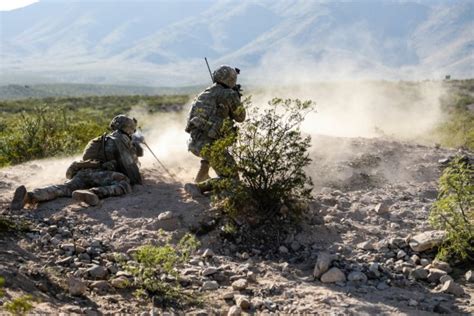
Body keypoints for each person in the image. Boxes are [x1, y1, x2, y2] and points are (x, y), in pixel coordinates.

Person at [10, 115, 143, 209]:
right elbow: (131, 170)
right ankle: (94, 193)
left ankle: (30, 196)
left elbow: (87, 157)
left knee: (63, 188)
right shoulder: (121, 141)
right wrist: (135, 149)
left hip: (82, 172)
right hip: (100, 175)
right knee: (124, 183)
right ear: (128, 129)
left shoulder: (100, 139)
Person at [184, 65, 246, 197]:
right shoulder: (228, 94)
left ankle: (202, 174)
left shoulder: (203, 94)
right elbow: (241, 117)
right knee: (232, 181)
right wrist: (236, 98)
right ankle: (198, 187)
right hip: (211, 147)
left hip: (195, 144)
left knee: (213, 144)